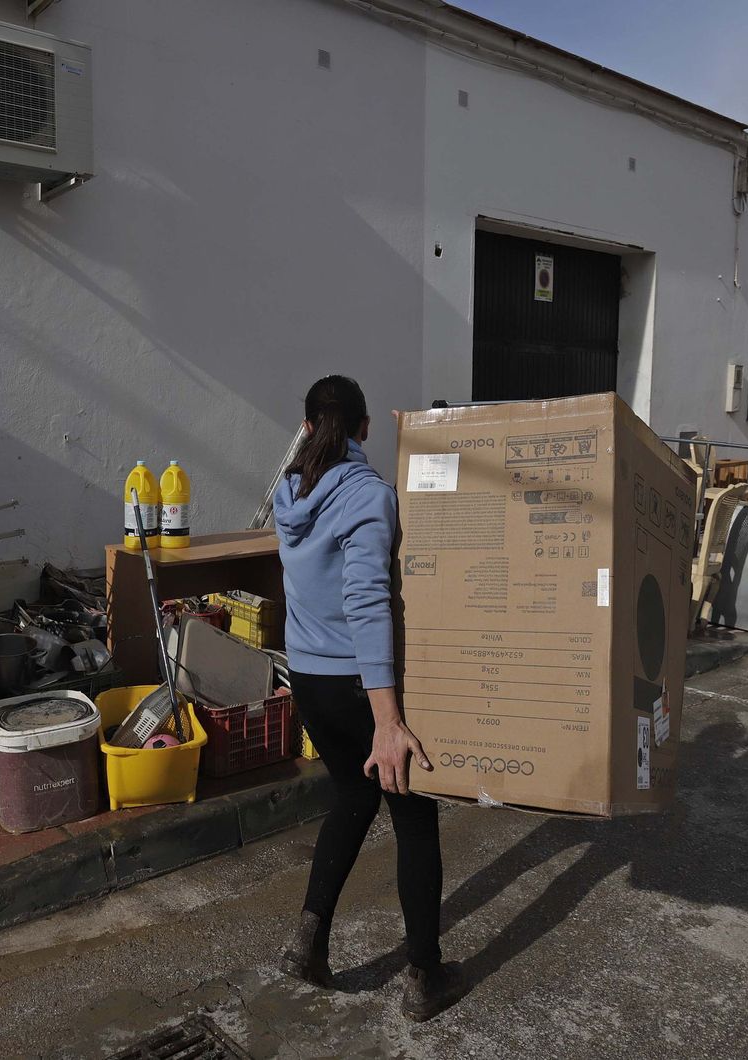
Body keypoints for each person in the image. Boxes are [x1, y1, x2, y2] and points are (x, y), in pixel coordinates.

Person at [272, 375, 466, 1022]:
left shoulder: (289, 493)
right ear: (364, 429)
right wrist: (388, 719)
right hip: (357, 686)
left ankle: (307, 941)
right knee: (414, 818)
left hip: (307, 681)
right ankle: (424, 976)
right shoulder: (368, 495)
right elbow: (366, 602)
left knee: (353, 798)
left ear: (306, 428)